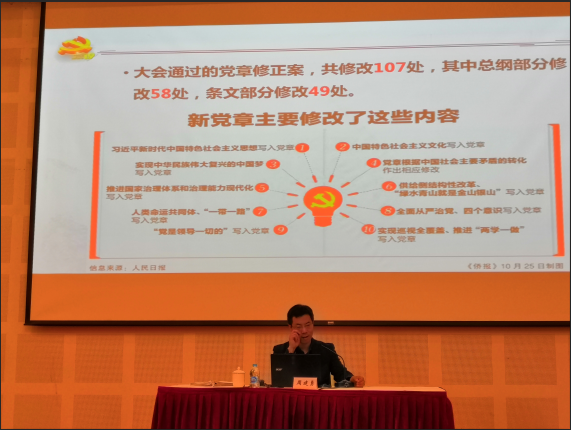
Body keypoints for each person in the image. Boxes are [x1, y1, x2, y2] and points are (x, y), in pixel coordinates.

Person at [273, 304, 365, 388]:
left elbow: (341, 374)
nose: (304, 331)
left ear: (313, 324)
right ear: (290, 327)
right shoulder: (280, 350)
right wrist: (291, 349)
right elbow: (279, 380)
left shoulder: (326, 349)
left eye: (307, 325)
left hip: (320, 398)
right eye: (298, 326)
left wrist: (353, 379)